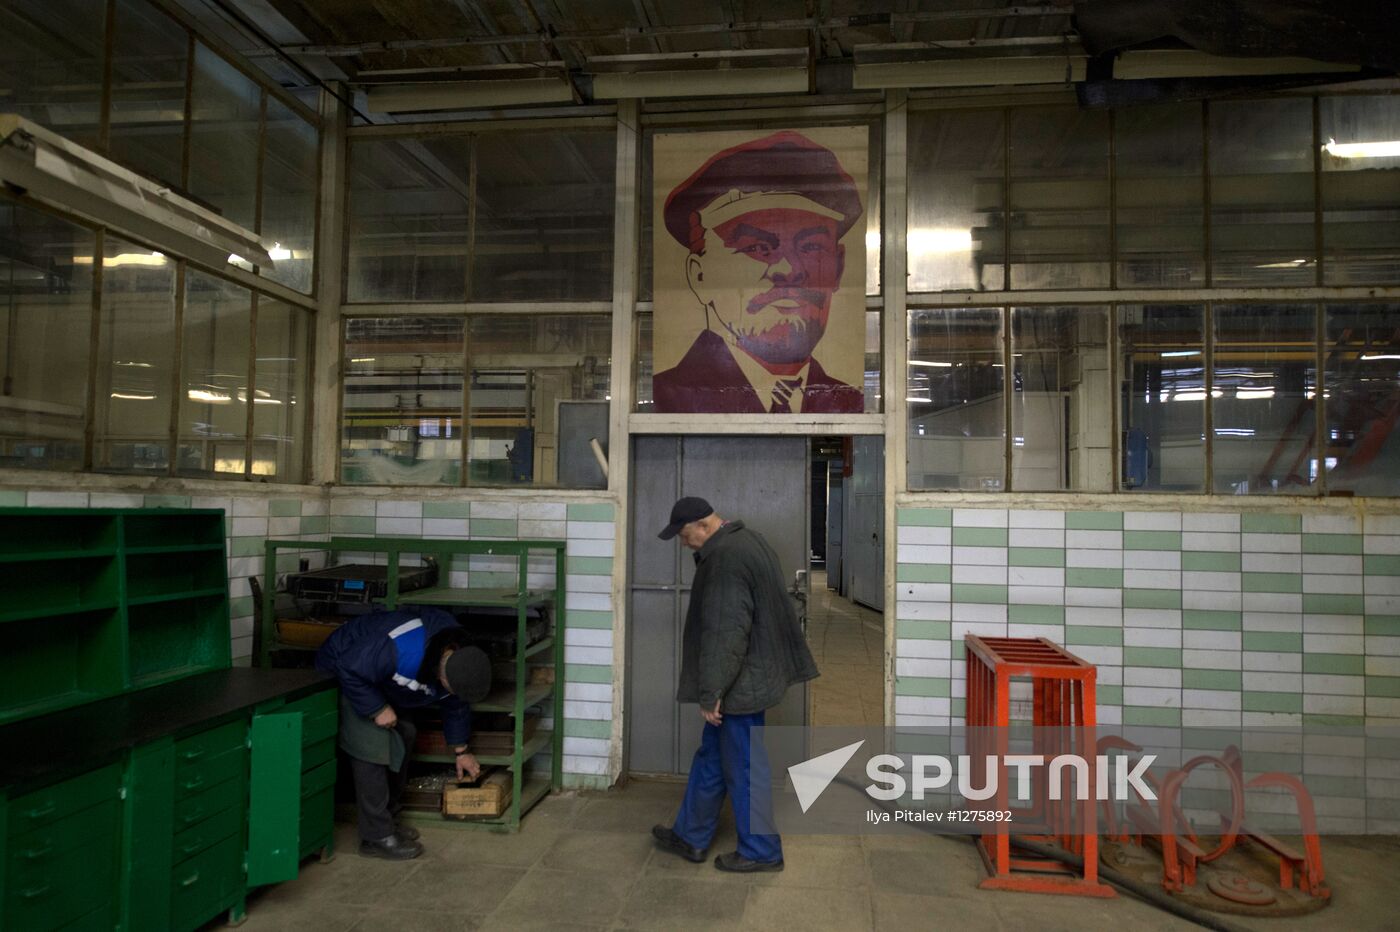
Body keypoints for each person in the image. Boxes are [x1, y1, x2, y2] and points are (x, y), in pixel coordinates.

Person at [650, 496, 820, 872]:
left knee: (743, 767)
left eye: (684, 535)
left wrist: (712, 692)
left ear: (704, 525)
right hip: (747, 675)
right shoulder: (748, 540)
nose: (684, 543)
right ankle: (691, 835)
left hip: (739, 683)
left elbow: (725, 632)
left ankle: (761, 850)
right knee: (712, 757)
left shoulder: (725, 558)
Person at [654, 130, 865, 414]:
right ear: (700, 276)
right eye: (757, 247)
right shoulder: (668, 400)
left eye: (811, 247)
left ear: (838, 268)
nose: (789, 270)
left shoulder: (852, 405)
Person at [315, 606, 492, 859]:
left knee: (406, 733)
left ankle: (389, 821)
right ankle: (376, 837)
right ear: (443, 676)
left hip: (378, 678)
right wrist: (377, 708)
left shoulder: (460, 660)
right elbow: (350, 668)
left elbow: (455, 705)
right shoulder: (403, 645)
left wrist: (461, 750)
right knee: (372, 746)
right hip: (343, 671)